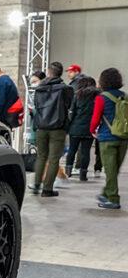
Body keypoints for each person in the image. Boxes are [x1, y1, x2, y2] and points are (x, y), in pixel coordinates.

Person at [31, 62, 73, 196]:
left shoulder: (39, 89)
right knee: (54, 159)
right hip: (58, 127)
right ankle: (47, 189)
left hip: (41, 126)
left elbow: (36, 106)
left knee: (41, 157)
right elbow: (68, 106)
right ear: (61, 73)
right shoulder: (66, 89)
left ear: (48, 72)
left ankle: (36, 185)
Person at [91, 67, 127, 210]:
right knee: (114, 169)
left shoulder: (101, 98)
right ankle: (106, 193)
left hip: (107, 138)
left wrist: (92, 130)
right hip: (123, 137)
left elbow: (96, 118)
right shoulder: (125, 96)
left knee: (110, 170)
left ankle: (113, 199)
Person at [65, 76, 98, 182]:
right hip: (89, 128)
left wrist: (69, 125)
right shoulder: (97, 96)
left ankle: (68, 172)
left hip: (75, 127)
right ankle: (83, 175)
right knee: (85, 152)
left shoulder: (77, 95)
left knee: (72, 150)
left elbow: (72, 112)